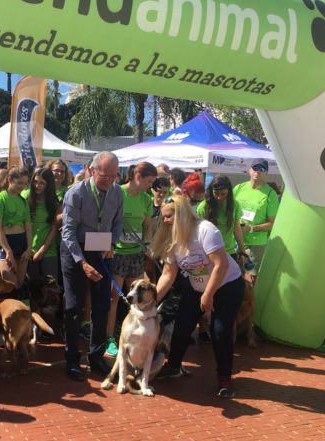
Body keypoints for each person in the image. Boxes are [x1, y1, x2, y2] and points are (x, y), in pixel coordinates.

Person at [153, 195, 245, 398]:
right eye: (164, 217)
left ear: (182, 214)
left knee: (219, 331)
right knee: (182, 327)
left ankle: (225, 379)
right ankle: (174, 366)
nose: (165, 221)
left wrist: (209, 295)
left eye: (169, 217)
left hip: (227, 285)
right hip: (196, 287)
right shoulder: (172, 238)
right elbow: (168, 275)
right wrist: (151, 302)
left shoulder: (206, 230)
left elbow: (221, 265)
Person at [61, 151, 123, 381]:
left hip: (101, 249)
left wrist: (112, 244)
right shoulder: (76, 192)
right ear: (92, 170)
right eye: (104, 175)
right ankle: (72, 358)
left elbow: (118, 222)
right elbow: (67, 232)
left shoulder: (117, 192)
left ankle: (96, 356)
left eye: (113, 176)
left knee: (101, 305)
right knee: (74, 307)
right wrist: (82, 263)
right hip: (75, 251)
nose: (108, 180)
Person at [105, 162, 157, 357]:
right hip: (117, 253)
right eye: (149, 181)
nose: (150, 186)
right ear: (137, 176)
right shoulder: (117, 192)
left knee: (136, 298)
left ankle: (132, 334)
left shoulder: (146, 198)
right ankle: (109, 338)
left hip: (136, 254)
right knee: (114, 298)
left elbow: (148, 226)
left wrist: (148, 245)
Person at [233, 158, 279, 278]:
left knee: (249, 277)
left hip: (255, 244)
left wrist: (251, 228)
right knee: (231, 275)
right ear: (249, 170)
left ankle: (248, 296)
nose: (257, 172)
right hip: (234, 240)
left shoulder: (270, 194)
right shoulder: (239, 188)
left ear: (266, 173)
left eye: (262, 169)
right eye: (255, 168)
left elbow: (272, 223)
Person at [0, 167, 32, 289]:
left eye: (25, 183)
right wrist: (8, 250)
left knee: (19, 285)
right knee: (10, 286)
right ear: (9, 180)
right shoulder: (0, 199)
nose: (22, 186)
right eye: (19, 183)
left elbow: (28, 227)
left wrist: (29, 248)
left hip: (22, 242)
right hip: (7, 243)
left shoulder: (23, 201)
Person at [197, 175, 246, 261]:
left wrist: (242, 250)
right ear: (211, 191)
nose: (219, 197)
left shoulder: (234, 205)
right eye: (216, 193)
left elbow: (237, 228)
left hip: (229, 251)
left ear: (229, 192)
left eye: (223, 194)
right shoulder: (203, 207)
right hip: (209, 252)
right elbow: (198, 232)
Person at [23, 168, 60, 280]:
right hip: (27, 251)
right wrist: (28, 249)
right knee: (30, 290)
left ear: (49, 185)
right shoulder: (25, 196)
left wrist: (41, 251)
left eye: (42, 183)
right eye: (35, 181)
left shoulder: (54, 203)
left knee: (51, 289)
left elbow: (55, 229)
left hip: (48, 251)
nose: (37, 186)